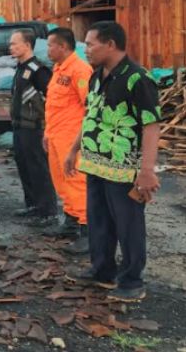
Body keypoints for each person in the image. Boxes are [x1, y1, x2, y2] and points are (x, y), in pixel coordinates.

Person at [65, 22, 161, 302]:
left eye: (90, 44)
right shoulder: (97, 76)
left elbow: (151, 125)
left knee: (128, 225)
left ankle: (132, 281)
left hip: (124, 169)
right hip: (95, 163)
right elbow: (90, 115)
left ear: (110, 44)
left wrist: (146, 171)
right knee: (99, 221)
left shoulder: (137, 78)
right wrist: (74, 150)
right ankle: (102, 271)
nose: (86, 50)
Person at [43, 27, 93, 254]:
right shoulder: (58, 69)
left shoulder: (80, 70)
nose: (47, 50)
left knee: (76, 181)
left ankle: (87, 232)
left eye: (49, 45)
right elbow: (54, 105)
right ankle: (71, 222)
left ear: (62, 47)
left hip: (72, 138)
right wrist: (46, 132)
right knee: (60, 180)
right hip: (55, 135)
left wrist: (79, 142)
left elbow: (89, 108)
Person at [8, 29, 57, 225]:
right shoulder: (20, 68)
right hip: (20, 126)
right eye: (10, 44)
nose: (10, 47)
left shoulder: (39, 70)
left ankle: (48, 212)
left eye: (14, 43)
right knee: (24, 167)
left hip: (34, 127)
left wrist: (47, 125)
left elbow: (51, 99)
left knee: (38, 168)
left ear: (27, 45)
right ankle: (33, 205)